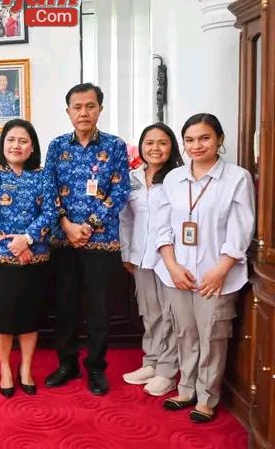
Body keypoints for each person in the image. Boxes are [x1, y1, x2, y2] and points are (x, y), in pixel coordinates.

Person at [155, 113, 255, 423]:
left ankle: (207, 398)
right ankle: (185, 390)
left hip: (217, 275)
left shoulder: (237, 178)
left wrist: (221, 269)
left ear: (219, 139)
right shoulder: (173, 179)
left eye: (204, 138)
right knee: (185, 334)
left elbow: (241, 230)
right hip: (178, 274)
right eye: (189, 140)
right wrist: (172, 266)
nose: (196, 145)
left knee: (213, 336)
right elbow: (162, 228)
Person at [43, 82, 130, 395]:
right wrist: (67, 225)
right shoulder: (56, 146)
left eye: (90, 106)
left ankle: (95, 367)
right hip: (63, 241)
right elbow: (48, 189)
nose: (83, 112)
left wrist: (89, 225)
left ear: (100, 110)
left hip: (101, 242)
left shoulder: (115, 146)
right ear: (68, 111)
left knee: (98, 310)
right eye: (77, 107)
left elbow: (120, 190)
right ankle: (67, 363)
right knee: (65, 306)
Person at [0, 119, 57, 398]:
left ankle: (26, 368)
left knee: (29, 315)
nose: (16, 145)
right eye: (11, 140)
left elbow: (50, 211)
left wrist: (28, 239)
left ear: (32, 146)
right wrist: (15, 245)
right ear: (3, 144)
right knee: (2, 317)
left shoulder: (43, 175)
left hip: (34, 258)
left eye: (23, 141)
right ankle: (5, 368)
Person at [120, 123, 183, 396]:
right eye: (149, 143)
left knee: (170, 315)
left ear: (172, 147)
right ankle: (152, 362)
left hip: (169, 258)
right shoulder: (132, 177)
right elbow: (126, 218)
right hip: (140, 256)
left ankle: (167, 372)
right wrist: (126, 253)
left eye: (162, 143)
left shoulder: (178, 179)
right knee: (149, 312)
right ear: (141, 147)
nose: (155, 148)